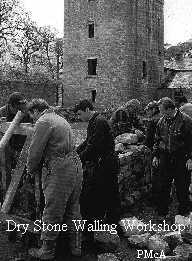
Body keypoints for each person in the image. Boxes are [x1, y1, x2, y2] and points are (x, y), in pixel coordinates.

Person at [26, 99, 83, 260]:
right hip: (75, 164)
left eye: (32, 115)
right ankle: (76, 247)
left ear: (36, 111)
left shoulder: (43, 121)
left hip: (59, 166)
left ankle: (47, 251)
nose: (33, 119)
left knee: (53, 210)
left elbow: (35, 151)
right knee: (73, 207)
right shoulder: (60, 118)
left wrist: (30, 170)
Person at [74, 100, 121, 249]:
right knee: (109, 194)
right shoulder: (95, 121)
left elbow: (93, 147)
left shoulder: (99, 122)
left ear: (87, 109)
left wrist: (77, 159)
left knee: (103, 195)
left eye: (81, 114)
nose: (80, 118)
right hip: (105, 163)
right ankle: (108, 226)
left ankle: (104, 231)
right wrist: (74, 154)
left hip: (106, 164)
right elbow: (87, 142)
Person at [152, 97, 192, 216]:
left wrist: (190, 158)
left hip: (181, 157)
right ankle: (162, 212)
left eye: (162, 110)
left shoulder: (186, 121)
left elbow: (191, 141)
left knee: (182, 186)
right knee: (163, 185)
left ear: (170, 109)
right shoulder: (161, 121)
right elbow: (157, 139)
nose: (161, 113)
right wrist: (156, 155)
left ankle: (184, 213)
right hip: (165, 157)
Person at [0, 92, 32, 190]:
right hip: (5, 146)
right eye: (18, 109)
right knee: (5, 168)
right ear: (10, 105)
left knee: (23, 168)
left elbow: (30, 131)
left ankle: (19, 190)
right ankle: (4, 190)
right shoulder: (1, 113)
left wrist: (20, 151)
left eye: (22, 108)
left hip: (20, 146)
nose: (21, 111)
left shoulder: (26, 113)